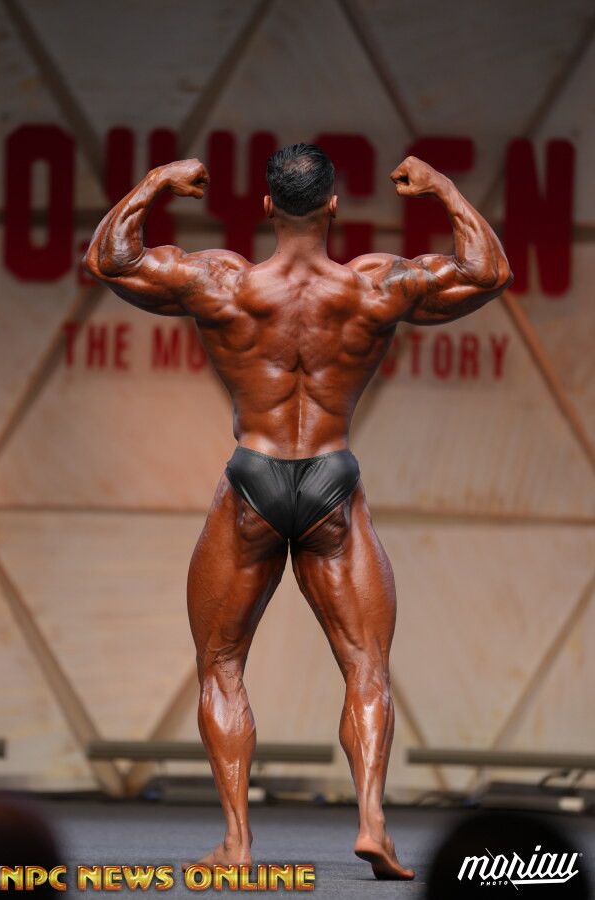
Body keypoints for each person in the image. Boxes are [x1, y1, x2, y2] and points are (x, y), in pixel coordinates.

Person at [84, 144, 512, 880]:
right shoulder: (374, 285)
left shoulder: (223, 282)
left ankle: (238, 842)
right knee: (366, 666)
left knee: (222, 665)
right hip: (331, 480)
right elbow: (487, 272)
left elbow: (110, 261)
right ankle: (373, 823)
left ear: (266, 207)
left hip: (252, 477)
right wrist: (442, 188)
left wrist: (157, 181)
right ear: (334, 206)